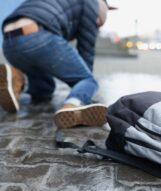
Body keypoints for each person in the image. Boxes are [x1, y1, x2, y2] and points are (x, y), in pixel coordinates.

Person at [0, 0, 117, 128]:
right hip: (38, 37)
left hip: (9, 42)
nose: (97, 25)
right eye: (99, 22)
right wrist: (84, 87)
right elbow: (86, 48)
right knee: (88, 80)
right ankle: (73, 105)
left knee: (44, 89)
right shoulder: (92, 3)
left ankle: (16, 80)